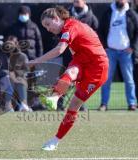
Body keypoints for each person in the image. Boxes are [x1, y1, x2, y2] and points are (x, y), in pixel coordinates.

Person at [28, 6, 108, 151]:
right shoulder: (70, 27)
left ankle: (55, 140)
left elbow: (59, 50)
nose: (47, 29)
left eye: (48, 24)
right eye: (45, 26)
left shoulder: (71, 26)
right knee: (70, 72)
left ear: (57, 19)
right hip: (82, 60)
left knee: (74, 105)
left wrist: (35, 61)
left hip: (98, 67)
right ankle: (55, 97)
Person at [57, 0, 99, 111]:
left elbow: (95, 35)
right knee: (65, 76)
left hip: (83, 55)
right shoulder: (67, 14)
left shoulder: (91, 17)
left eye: (79, 1)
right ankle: (60, 102)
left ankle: (80, 104)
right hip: (68, 53)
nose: (76, 3)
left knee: (81, 80)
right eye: (75, 1)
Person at [99, 0, 138, 111]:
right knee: (106, 79)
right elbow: (101, 30)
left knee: (129, 80)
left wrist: (133, 47)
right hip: (110, 51)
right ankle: (104, 104)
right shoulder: (108, 12)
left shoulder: (131, 13)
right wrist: (104, 46)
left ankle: (132, 104)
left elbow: (136, 32)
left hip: (126, 53)